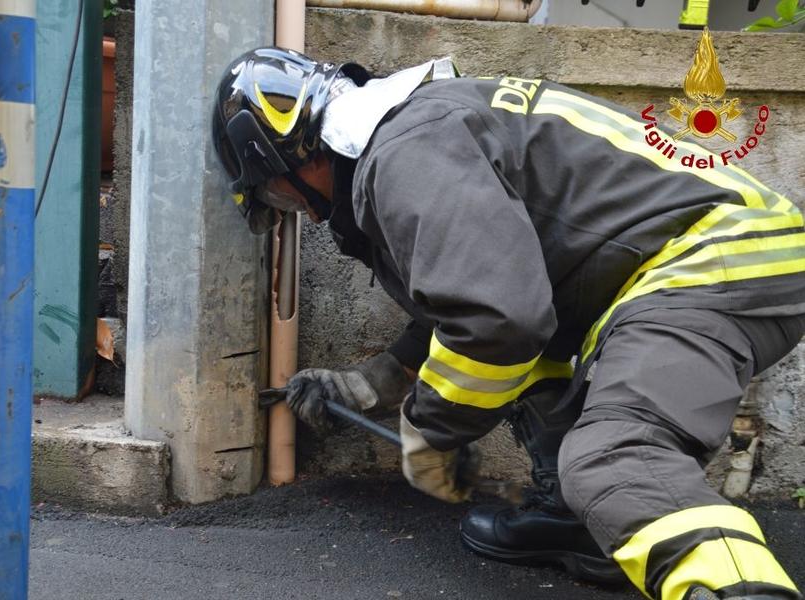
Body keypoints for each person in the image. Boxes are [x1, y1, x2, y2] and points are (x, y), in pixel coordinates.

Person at [212, 47, 805, 600]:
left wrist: (431, 433)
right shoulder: (416, 131)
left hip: (716, 257)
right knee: (525, 365)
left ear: (296, 152)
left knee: (616, 455)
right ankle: (583, 525)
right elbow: (478, 290)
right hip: (700, 255)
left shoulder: (403, 151)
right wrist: (375, 381)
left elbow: (497, 321)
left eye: (285, 200)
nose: (306, 216)